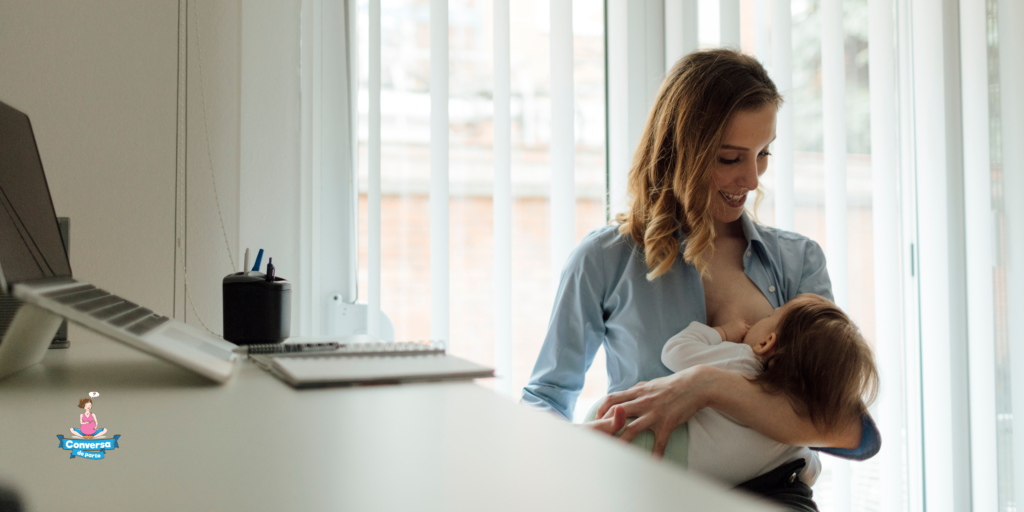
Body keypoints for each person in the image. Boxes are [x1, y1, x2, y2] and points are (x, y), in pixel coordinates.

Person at [521, 48, 880, 510]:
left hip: (775, 495)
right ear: (678, 150)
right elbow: (545, 395)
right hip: (650, 496)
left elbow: (847, 429)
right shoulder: (603, 260)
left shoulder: (798, 260)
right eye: (730, 158)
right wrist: (583, 442)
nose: (751, 179)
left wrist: (706, 385)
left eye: (763, 154)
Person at [591, 293, 878, 488]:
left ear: (766, 343)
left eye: (769, 315)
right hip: (679, 484)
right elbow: (811, 471)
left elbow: (674, 352)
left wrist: (723, 333)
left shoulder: (743, 360)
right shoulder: (792, 446)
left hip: (640, 433)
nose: (760, 317)